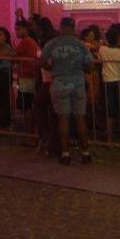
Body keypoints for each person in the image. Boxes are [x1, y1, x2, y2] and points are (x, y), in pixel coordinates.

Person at [41, 17, 93, 165]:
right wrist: (80, 69)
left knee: (63, 119)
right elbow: (89, 65)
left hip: (60, 83)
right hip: (77, 83)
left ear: (61, 27)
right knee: (80, 118)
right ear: (73, 28)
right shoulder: (80, 45)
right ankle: (85, 152)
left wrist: (53, 69)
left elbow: (42, 61)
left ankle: (65, 153)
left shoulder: (52, 44)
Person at [98, 25, 120, 143]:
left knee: (109, 112)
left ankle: (110, 138)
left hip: (107, 81)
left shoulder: (102, 50)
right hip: (119, 81)